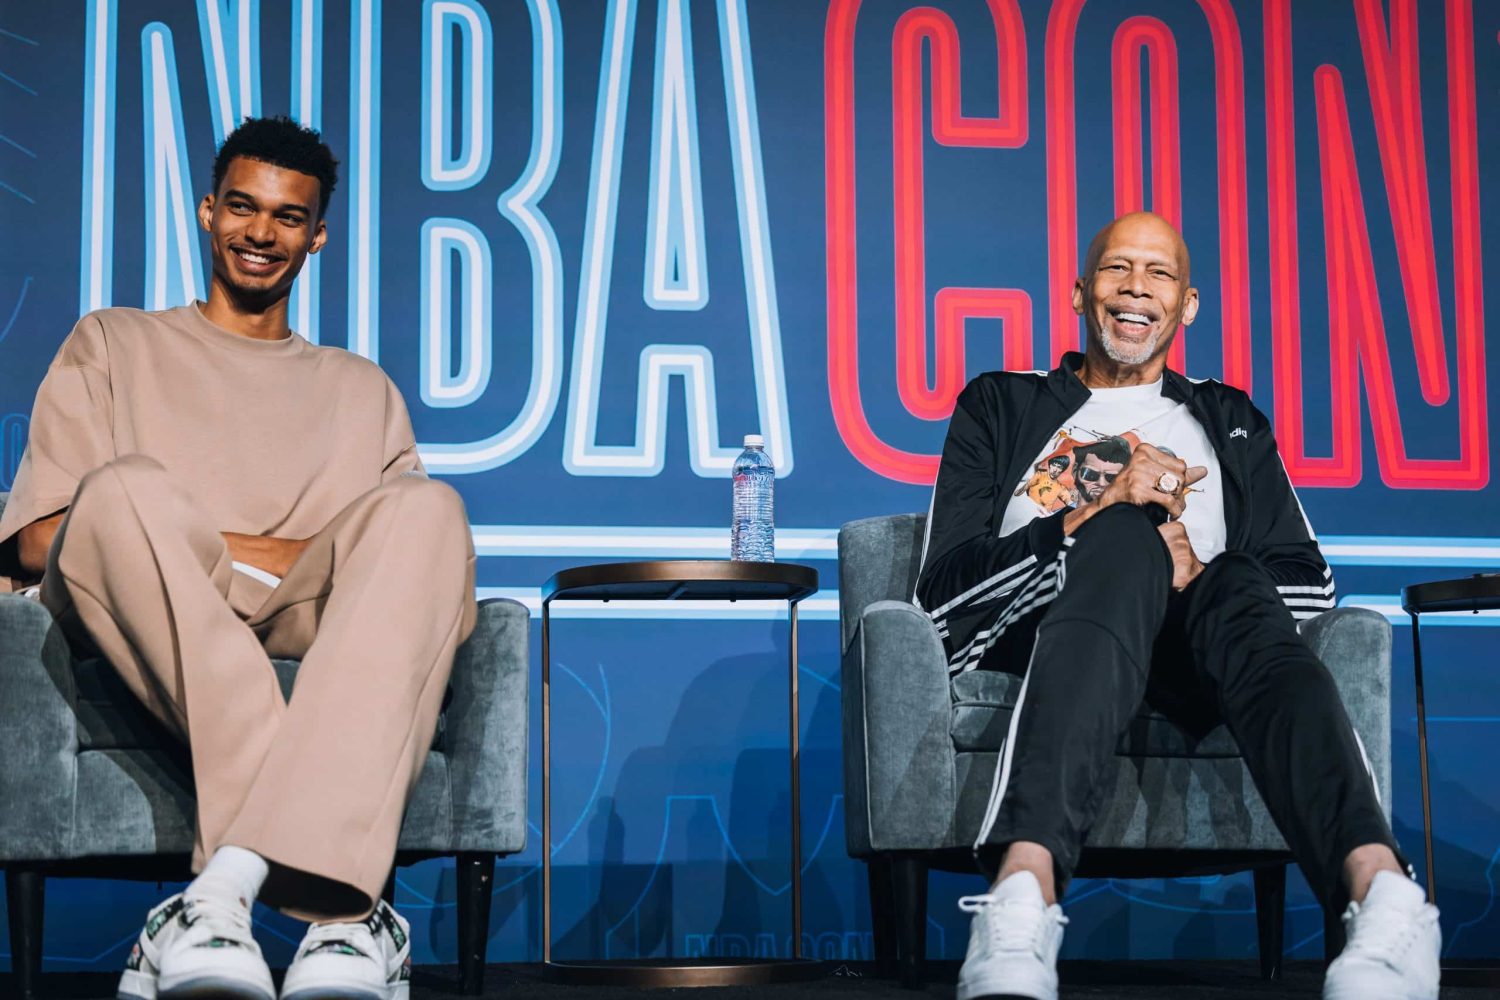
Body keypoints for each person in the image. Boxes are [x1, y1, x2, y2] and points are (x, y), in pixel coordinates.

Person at [0, 116, 476, 1000]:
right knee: (125, 489)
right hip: (154, 589)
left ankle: (215, 897)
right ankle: (348, 914)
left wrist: (231, 538)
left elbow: (398, 570)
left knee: (430, 511)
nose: (261, 233)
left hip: (309, 605)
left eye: (288, 218)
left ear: (317, 235)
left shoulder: (361, 386)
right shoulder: (113, 340)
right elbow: (42, 535)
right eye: (244, 209)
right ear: (207, 211)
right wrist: (217, 542)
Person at [916, 212, 1439, 1000]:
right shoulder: (1003, 404)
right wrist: (1089, 518)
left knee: (1235, 584)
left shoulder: (1226, 420)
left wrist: (1196, 566)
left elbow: (1308, 583)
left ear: (1187, 304)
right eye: (1116, 269)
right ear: (1079, 293)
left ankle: (1385, 899)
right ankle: (1020, 898)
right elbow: (942, 586)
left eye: (1158, 273)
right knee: (1126, 536)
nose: (1135, 288)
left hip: (1198, 647)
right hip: (1050, 630)